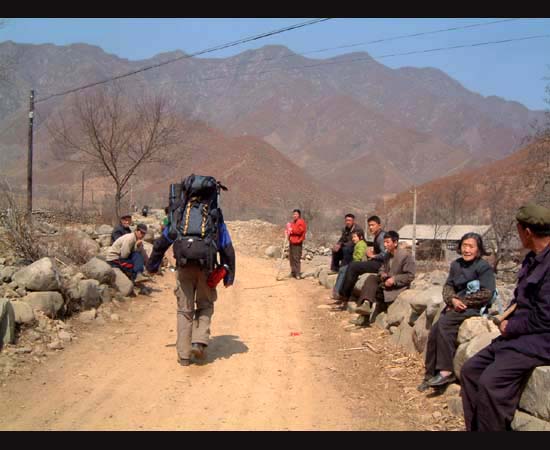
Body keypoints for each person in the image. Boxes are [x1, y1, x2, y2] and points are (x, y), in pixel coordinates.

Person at [460, 204, 550, 431]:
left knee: (491, 384)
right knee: (470, 371)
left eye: (519, 229)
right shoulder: (533, 259)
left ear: (527, 232)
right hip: (518, 337)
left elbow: (545, 317)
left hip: (539, 340)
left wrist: (511, 326)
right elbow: (521, 298)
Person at [417, 232, 495, 393]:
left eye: (471, 246)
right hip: (455, 304)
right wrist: (452, 299)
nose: (467, 250)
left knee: (445, 323)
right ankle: (429, 375)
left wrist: (464, 302)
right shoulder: (456, 264)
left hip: (473, 306)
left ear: (478, 249)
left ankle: (446, 371)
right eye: (464, 246)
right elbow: (448, 286)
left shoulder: (483, 267)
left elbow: (487, 293)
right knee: (435, 330)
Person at [175, 213, 236, 367]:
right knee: (205, 305)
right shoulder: (214, 215)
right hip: (206, 268)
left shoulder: (181, 213)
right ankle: (198, 342)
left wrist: (152, 264)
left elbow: (165, 238)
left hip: (183, 267)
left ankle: (184, 356)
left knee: (184, 311)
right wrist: (229, 277)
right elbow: (227, 248)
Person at [354, 230, 416, 324]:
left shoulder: (405, 256)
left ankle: (364, 316)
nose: (385, 245)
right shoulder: (387, 255)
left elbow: (410, 275)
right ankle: (366, 305)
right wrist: (382, 274)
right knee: (371, 279)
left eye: (387, 242)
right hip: (385, 283)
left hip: (396, 287)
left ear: (395, 243)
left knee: (372, 290)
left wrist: (394, 279)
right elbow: (381, 269)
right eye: (384, 242)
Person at [332, 215, 386, 310]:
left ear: (379, 225)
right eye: (369, 225)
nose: (370, 227)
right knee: (350, 265)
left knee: (353, 266)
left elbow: (385, 254)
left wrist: (373, 256)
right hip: (377, 262)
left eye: (373, 225)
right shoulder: (377, 236)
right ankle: (343, 294)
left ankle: (344, 296)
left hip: (382, 265)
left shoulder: (381, 237)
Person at [332, 230, 367, 299]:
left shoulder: (361, 245)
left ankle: (339, 292)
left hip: (358, 264)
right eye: (352, 237)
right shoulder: (358, 244)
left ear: (361, 237)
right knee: (342, 269)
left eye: (355, 237)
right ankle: (337, 291)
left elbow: (359, 257)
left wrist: (352, 262)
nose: (353, 239)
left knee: (344, 270)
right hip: (355, 263)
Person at [145, 206, 174, 275]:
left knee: (159, 249)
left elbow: (163, 227)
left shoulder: (167, 218)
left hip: (167, 236)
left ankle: (152, 270)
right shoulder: (172, 218)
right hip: (168, 236)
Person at [287, 209, 307, 279]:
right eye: (294, 214)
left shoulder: (301, 222)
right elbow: (290, 231)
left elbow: (300, 231)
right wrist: (288, 230)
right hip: (292, 241)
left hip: (297, 242)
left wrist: (291, 230)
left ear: (299, 215)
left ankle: (297, 273)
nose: (294, 215)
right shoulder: (293, 222)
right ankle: (293, 272)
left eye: (296, 214)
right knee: (291, 258)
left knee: (296, 258)